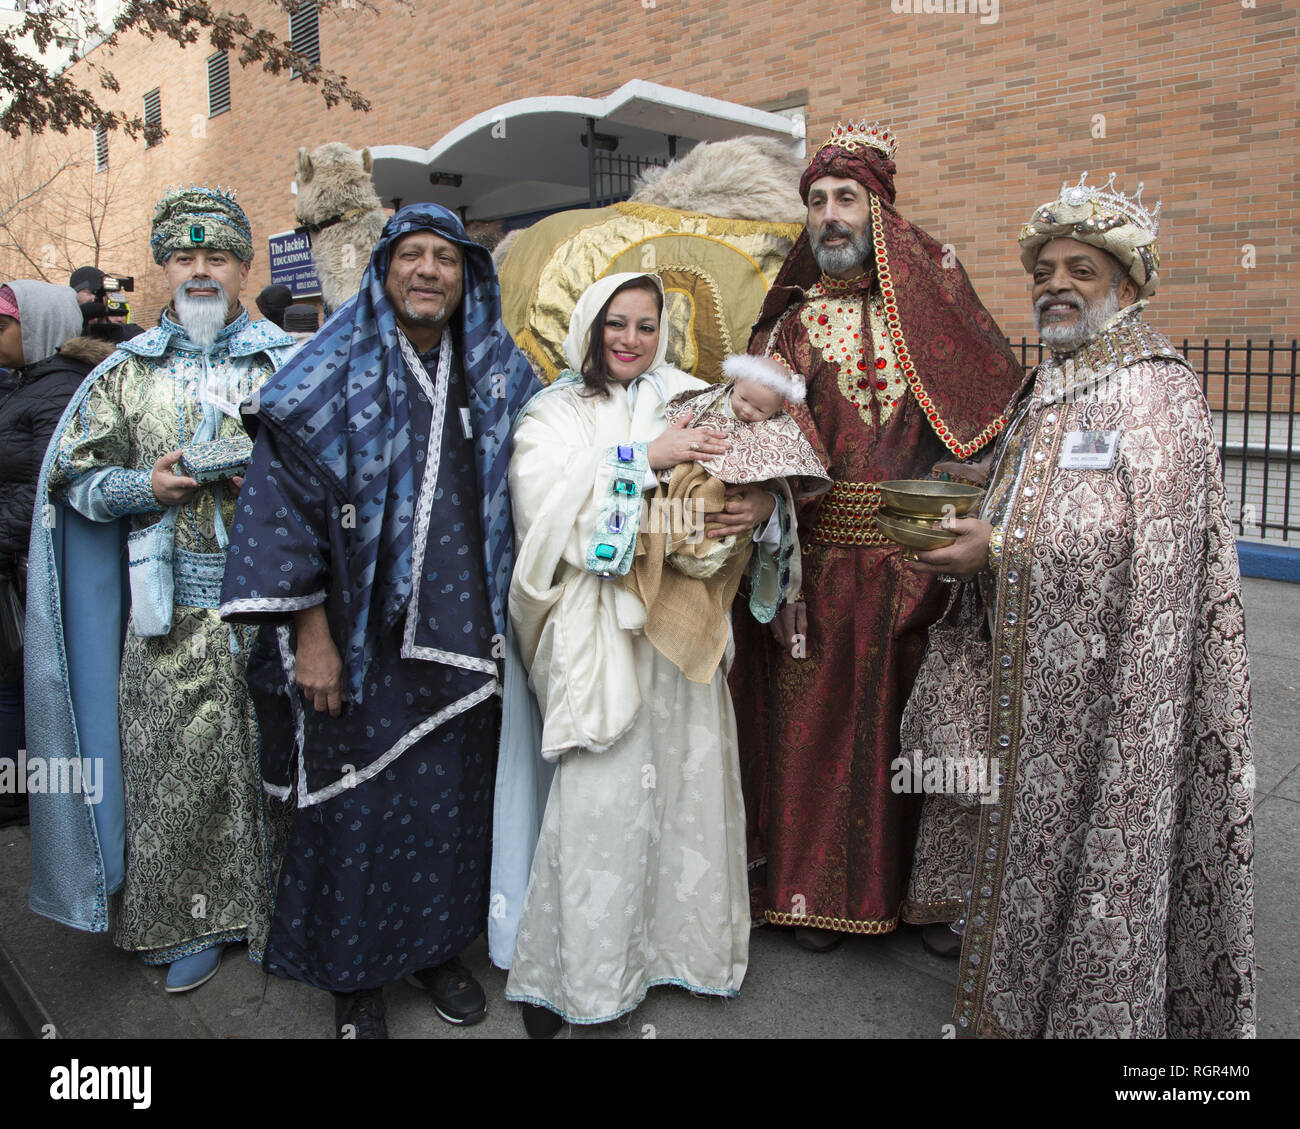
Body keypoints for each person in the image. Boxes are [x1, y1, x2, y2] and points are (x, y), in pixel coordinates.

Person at [903, 172, 1255, 1037]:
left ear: (1126, 287)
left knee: (1090, 861)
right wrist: (983, 491)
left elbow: (1151, 547)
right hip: (1031, 681)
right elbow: (1049, 487)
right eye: (1044, 270)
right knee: (1025, 851)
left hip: (1113, 693)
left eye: (1081, 271)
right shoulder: (1055, 379)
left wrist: (1006, 545)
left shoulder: (1153, 389)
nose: (1055, 284)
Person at [219, 204, 539, 1039]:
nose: (429, 270)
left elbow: (573, 446)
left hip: (468, 643)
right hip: (359, 645)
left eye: (446, 258)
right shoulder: (324, 369)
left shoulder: (499, 369)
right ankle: (354, 975)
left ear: (468, 275)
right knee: (354, 808)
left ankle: (435, 949)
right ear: (384, 268)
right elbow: (279, 515)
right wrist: (313, 636)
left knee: (447, 805)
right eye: (413, 256)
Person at [727, 119, 1025, 951]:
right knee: (815, 733)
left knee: (925, 736)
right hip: (818, 565)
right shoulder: (788, 327)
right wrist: (774, 542)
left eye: (845, 199)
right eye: (816, 200)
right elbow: (765, 441)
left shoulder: (935, 316)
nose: (828, 215)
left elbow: (992, 422)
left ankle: (930, 896)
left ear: (880, 214)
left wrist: (973, 484)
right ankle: (812, 892)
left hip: (921, 563)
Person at [499, 272, 797, 1037]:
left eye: (646, 324)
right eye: (616, 324)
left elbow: (767, 462)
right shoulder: (553, 412)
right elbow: (549, 520)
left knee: (684, 793)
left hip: (684, 638)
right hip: (603, 632)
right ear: (590, 327)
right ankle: (578, 975)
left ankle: (682, 954)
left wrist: (762, 503)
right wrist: (648, 455)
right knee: (602, 802)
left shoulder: (695, 393)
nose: (631, 339)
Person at [26, 187, 298, 991]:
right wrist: (144, 485)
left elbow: (337, 469)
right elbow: (72, 481)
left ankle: (288, 911)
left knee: (278, 763)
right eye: (185, 257)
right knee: (172, 768)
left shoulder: (288, 359)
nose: (202, 271)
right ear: (164, 267)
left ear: (245, 264)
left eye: (217, 256)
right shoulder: (122, 374)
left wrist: (273, 477)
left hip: (275, 611)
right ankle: (190, 923)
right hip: (165, 613)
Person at [0, 282, 113, 828]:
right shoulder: (28, 384)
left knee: (39, 681)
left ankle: (30, 798)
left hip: (39, 561)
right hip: (19, 557)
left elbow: (48, 482)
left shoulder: (61, 390)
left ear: (40, 325)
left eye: (3, 326)